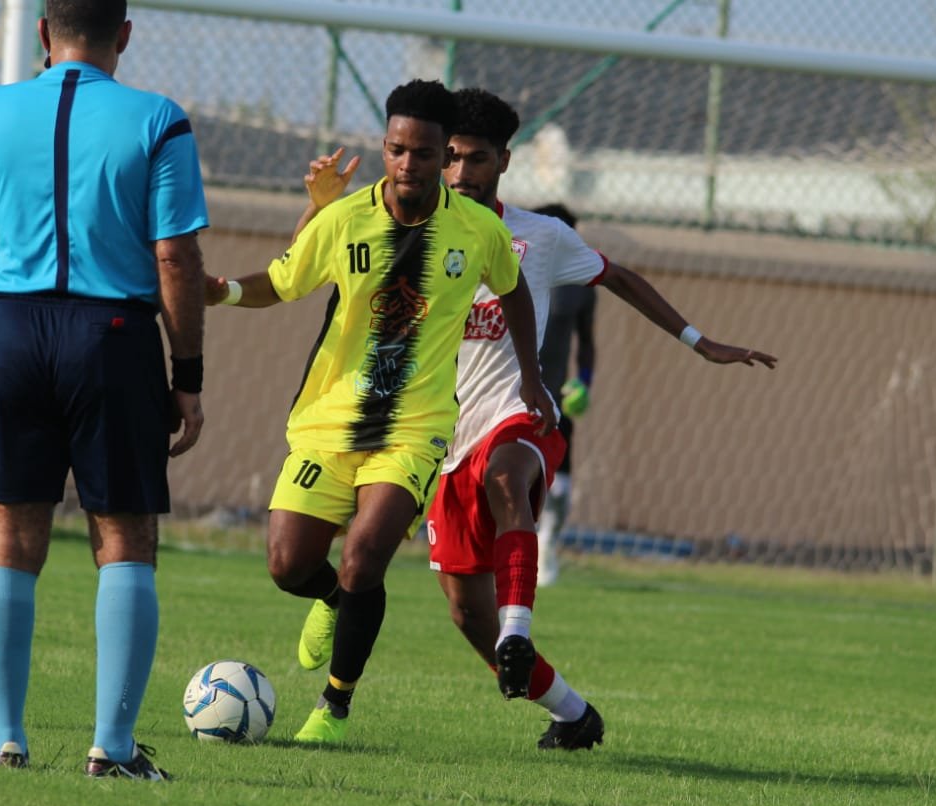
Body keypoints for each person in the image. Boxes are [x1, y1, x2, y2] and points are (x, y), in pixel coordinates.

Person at [297, 87, 777, 751]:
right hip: (433, 437)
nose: (462, 172)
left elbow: (619, 277)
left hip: (517, 415)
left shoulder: (541, 237)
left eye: (478, 159)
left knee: (509, 477)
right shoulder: (400, 228)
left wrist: (701, 342)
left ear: (505, 161)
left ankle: (516, 627)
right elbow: (308, 266)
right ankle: (573, 713)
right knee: (466, 612)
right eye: (452, 157)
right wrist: (317, 208)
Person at [204, 79, 554, 746]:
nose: (407, 164)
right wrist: (220, 291)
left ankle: (333, 707)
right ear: (385, 147)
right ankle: (336, 600)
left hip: (414, 430)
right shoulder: (345, 218)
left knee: (365, 555)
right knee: (287, 564)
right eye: (396, 149)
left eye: (423, 153)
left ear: (443, 155)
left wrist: (531, 378)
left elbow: (514, 293)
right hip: (328, 420)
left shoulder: (478, 230)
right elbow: (281, 281)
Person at [0, 0, 207, 781]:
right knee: (126, 539)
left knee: (10, 538)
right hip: (114, 336)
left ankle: (5, 739)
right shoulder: (159, 120)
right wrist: (186, 378)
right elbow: (177, 258)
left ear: (43, 33)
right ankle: (113, 747)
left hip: (13, 333)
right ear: (125, 34)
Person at [532, 203, 597, 587]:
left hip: (555, 398)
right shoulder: (509, 267)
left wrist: (585, 380)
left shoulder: (580, 286)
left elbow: (587, 342)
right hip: (505, 392)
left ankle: (547, 544)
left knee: (560, 481)